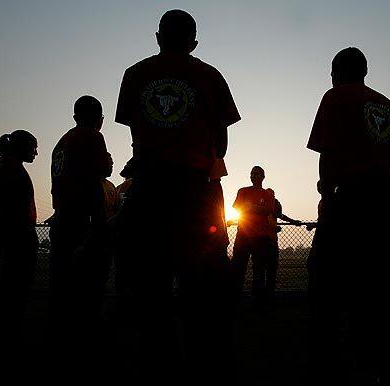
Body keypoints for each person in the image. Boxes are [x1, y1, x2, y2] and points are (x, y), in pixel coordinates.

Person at [114, 9, 240, 384]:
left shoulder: (135, 74)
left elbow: (136, 129)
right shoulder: (210, 75)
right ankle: (204, 364)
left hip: (150, 187)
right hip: (197, 190)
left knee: (151, 283)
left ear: (157, 37)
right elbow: (222, 137)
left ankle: (158, 363)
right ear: (194, 41)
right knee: (201, 284)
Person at [306, 47, 390, 384]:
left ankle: (331, 360)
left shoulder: (336, 98)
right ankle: (386, 358)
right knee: (383, 282)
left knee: (327, 278)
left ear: (337, 71)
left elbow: (328, 152)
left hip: (353, 200)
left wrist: (326, 195)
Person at [48, 95, 109, 353]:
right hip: (81, 217)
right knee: (89, 283)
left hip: (61, 216)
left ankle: (60, 336)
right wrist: (99, 224)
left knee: (62, 283)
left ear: (75, 117)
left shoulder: (61, 142)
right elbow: (99, 176)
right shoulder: (92, 137)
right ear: (100, 118)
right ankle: (86, 340)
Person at [0, 130, 39, 346]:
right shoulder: (10, 167)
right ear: (22, 146)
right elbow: (13, 207)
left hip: (13, 234)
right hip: (17, 235)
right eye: (33, 147)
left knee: (12, 283)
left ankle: (7, 329)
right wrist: (25, 233)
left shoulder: (9, 165)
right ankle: (8, 332)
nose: (36, 152)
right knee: (14, 284)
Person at [232, 166, 300, 310]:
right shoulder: (242, 191)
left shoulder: (268, 195)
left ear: (263, 176)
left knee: (259, 271)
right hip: (242, 236)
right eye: (251, 173)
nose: (253, 176)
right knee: (238, 269)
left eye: (256, 173)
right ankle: (234, 300)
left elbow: (268, 210)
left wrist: (250, 207)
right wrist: (255, 208)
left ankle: (258, 302)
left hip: (260, 239)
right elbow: (237, 207)